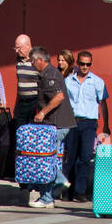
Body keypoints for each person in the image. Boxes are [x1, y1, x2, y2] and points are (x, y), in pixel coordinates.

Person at [26, 46, 76, 208]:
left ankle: (57, 184)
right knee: (47, 157)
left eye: (33, 61)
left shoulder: (50, 75)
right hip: (54, 123)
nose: (32, 64)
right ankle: (47, 197)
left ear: (40, 60)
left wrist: (42, 113)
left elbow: (59, 97)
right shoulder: (47, 74)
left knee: (45, 158)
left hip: (57, 123)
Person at [65, 50, 111, 202]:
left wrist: (106, 125)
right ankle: (68, 190)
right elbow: (63, 102)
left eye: (88, 64)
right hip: (72, 121)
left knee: (85, 156)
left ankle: (80, 191)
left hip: (89, 123)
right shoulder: (68, 81)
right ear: (77, 64)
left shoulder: (98, 82)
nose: (85, 67)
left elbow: (103, 104)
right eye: (82, 64)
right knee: (70, 156)